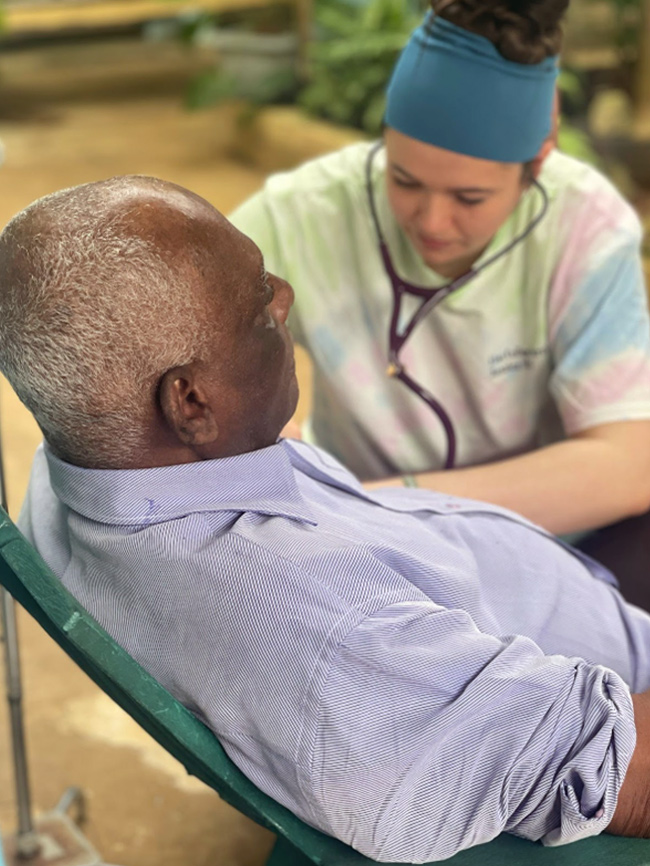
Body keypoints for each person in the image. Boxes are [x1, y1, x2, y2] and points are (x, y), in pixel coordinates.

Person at [5, 177, 650, 863]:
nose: (284, 296)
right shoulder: (340, 641)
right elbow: (621, 772)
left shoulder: (80, 463)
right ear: (190, 402)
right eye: (258, 305)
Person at [229, 0, 650, 537]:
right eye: (403, 180)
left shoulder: (585, 225)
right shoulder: (301, 214)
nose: (432, 221)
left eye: (469, 198)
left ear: (538, 162)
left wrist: (380, 505)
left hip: (535, 539)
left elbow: (627, 466)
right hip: (359, 552)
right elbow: (176, 329)